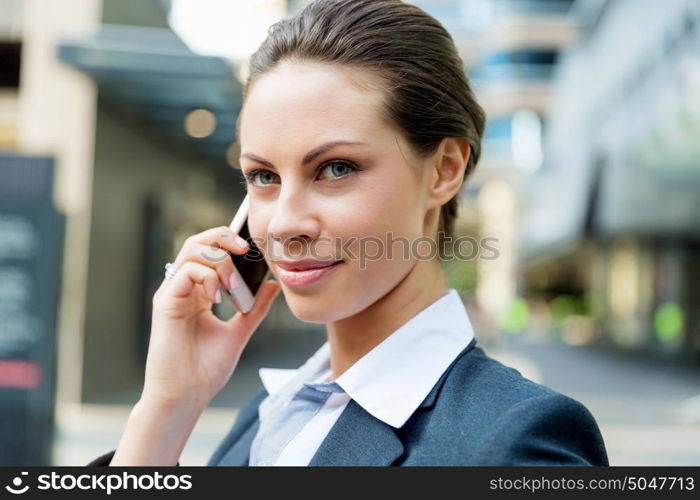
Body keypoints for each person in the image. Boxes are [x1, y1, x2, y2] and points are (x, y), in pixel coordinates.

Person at [87, 0, 608, 466]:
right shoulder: (267, 413)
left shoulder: (517, 443)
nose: (286, 224)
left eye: (336, 168)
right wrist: (167, 408)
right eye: (264, 176)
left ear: (444, 169)